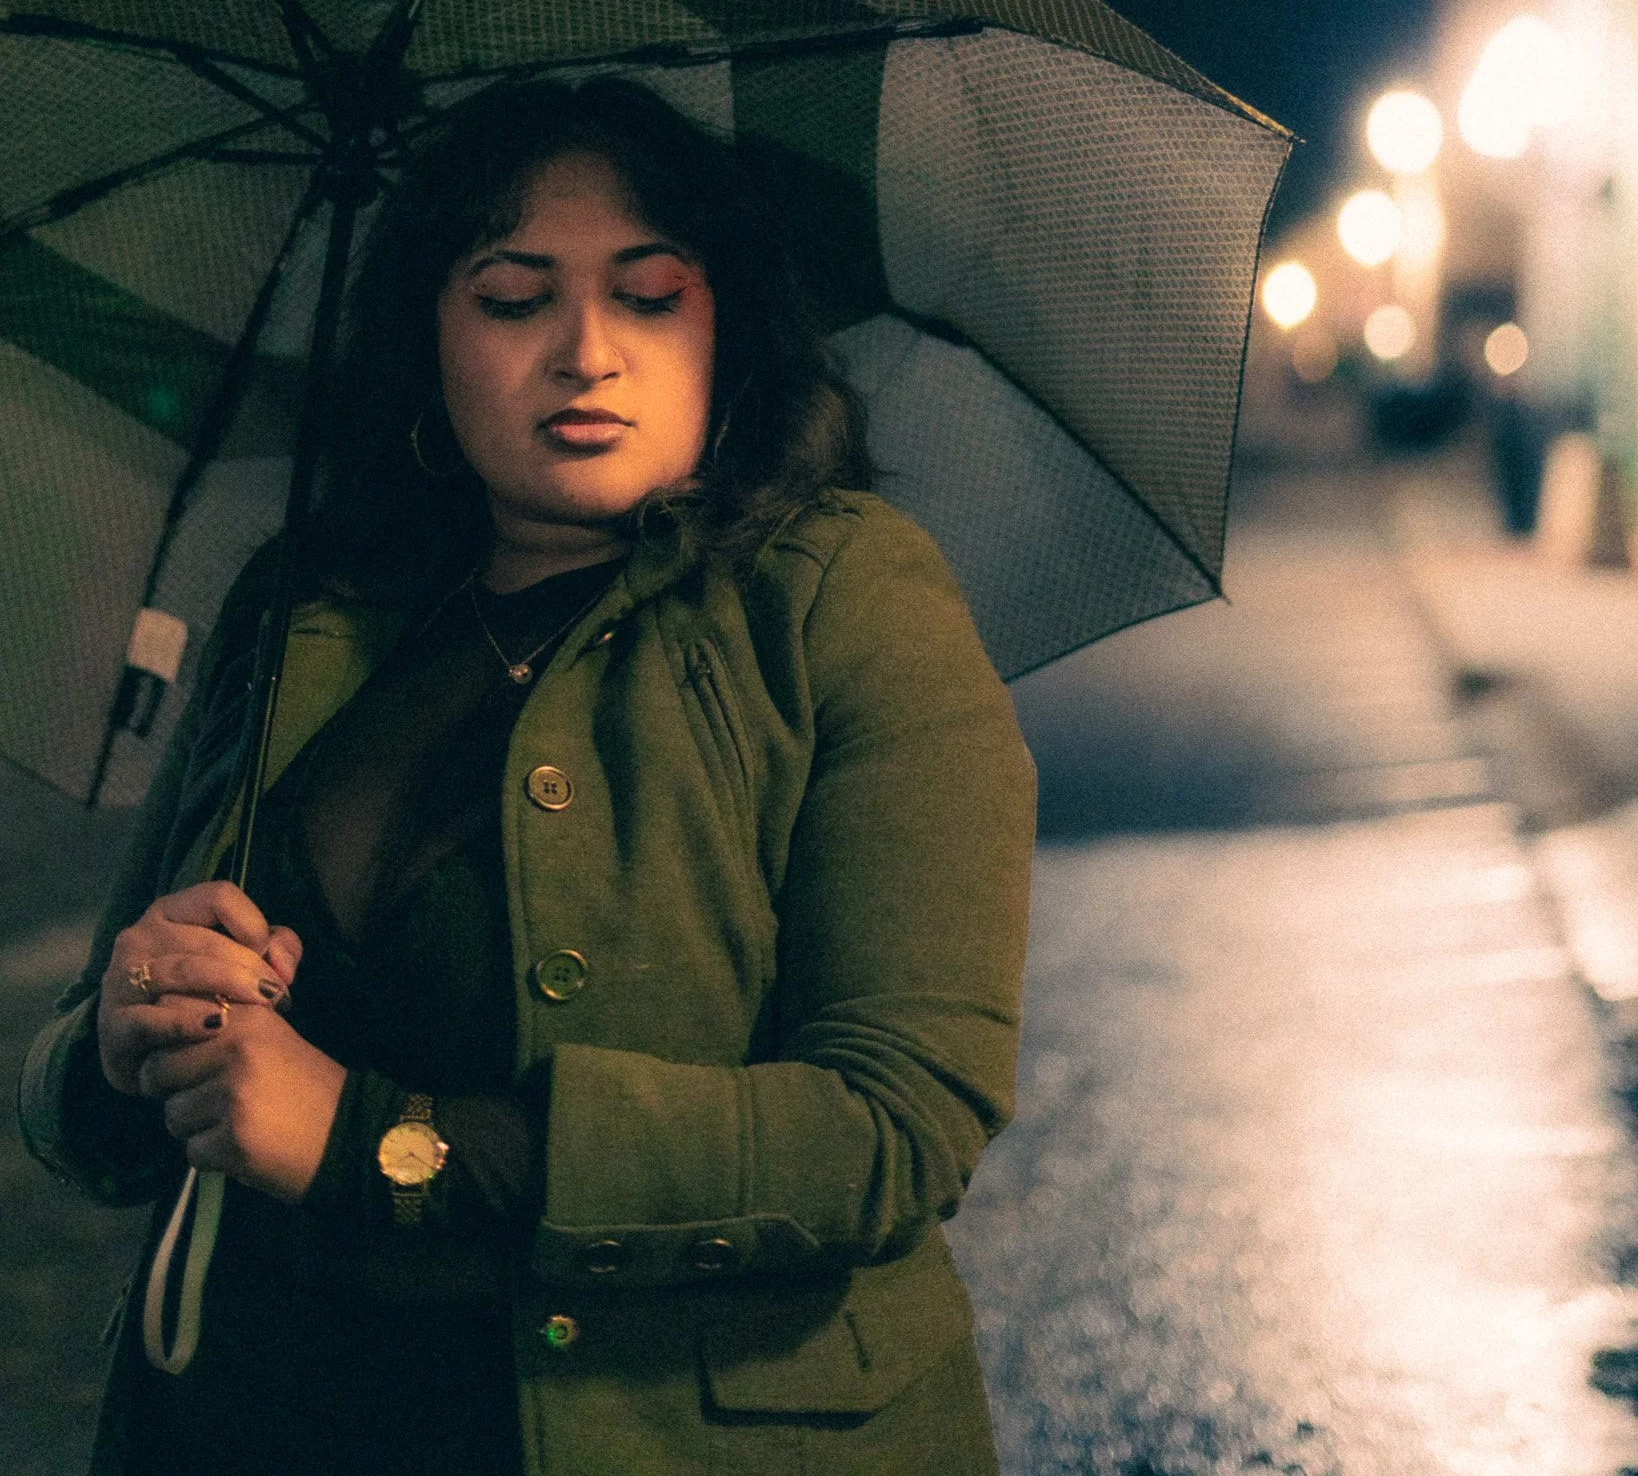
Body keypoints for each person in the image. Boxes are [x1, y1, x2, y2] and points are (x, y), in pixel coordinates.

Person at [20, 77, 1037, 1476]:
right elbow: (82, 1074)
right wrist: (123, 1041)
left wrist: (379, 1142)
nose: (585, 353)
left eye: (648, 296)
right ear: (430, 337)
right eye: (511, 299)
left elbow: (894, 1122)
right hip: (256, 1417)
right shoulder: (306, 606)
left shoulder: (838, 598)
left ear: (724, 324)